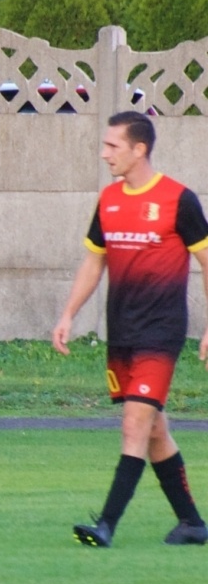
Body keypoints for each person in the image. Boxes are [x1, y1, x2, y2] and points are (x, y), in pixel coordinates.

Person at [54, 111, 208, 547]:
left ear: (139, 149)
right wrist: (68, 314)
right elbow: (94, 261)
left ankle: (105, 525)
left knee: (134, 425)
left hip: (161, 332)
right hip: (121, 332)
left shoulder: (179, 200)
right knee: (155, 428)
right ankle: (192, 523)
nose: (105, 154)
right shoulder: (108, 201)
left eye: (112, 146)